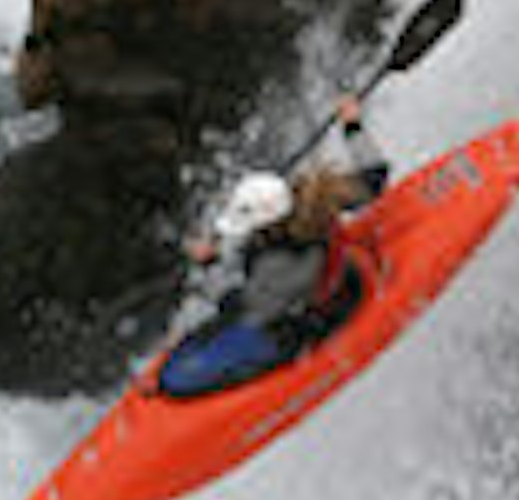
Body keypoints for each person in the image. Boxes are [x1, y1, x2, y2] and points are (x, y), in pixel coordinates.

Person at [151, 96, 390, 396]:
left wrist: (209, 265)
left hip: (311, 319)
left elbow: (242, 308)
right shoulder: (312, 197)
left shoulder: (277, 268)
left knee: (178, 380)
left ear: (267, 227)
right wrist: (353, 125)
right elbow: (376, 175)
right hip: (340, 279)